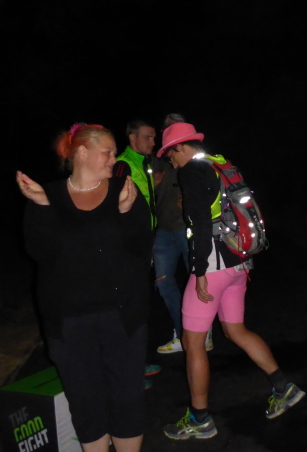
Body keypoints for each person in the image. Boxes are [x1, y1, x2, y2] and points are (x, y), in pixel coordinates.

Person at [157, 122, 305, 440]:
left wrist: (198, 272)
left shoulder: (191, 172)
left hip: (213, 267)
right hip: (239, 262)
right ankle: (283, 387)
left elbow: (199, 225)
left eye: (171, 156)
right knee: (236, 330)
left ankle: (200, 418)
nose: (172, 163)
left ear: (180, 147)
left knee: (192, 342)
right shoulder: (219, 164)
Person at [17, 123, 151, 452]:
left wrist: (125, 212)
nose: (114, 159)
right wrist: (44, 207)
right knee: (85, 398)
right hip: (69, 321)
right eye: (107, 152)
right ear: (82, 153)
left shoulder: (123, 189)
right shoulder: (48, 196)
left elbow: (141, 247)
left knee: (127, 396)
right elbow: (39, 251)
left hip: (123, 317)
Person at [152, 113, 212, 354]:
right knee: (164, 282)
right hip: (163, 229)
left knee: (198, 280)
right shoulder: (158, 160)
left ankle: (202, 334)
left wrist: (186, 203)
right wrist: (152, 186)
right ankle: (183, 334)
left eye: (174, 128)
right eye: (166, 129)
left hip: (187, 228)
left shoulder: (196, 162)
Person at [112, 119, 164, 386]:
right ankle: (130, 372)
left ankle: (137, 364)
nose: (153, 142)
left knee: (140, 303)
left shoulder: (144, 162)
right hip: (129, 247)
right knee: (130, 305)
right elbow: (116, 206)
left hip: (144, 241)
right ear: (133, 138)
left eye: (154, 137)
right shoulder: (122, 164)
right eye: (148, 137)